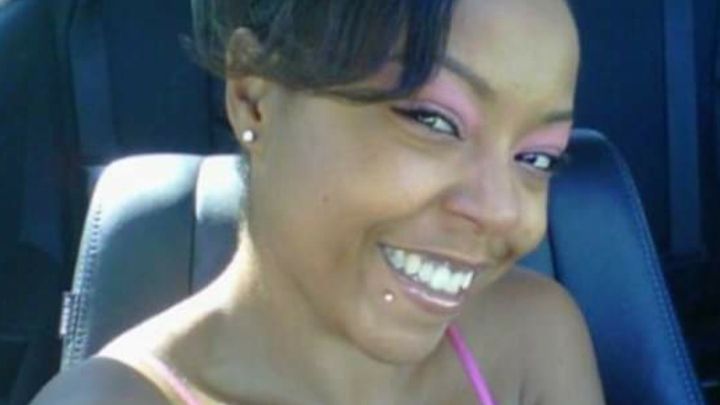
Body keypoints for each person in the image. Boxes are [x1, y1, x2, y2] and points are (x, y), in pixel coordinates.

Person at [32, 0, 605, 403]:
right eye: (432, 121)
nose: (505, 213)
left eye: (538, 159)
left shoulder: (534, 342)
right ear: (254, 99)